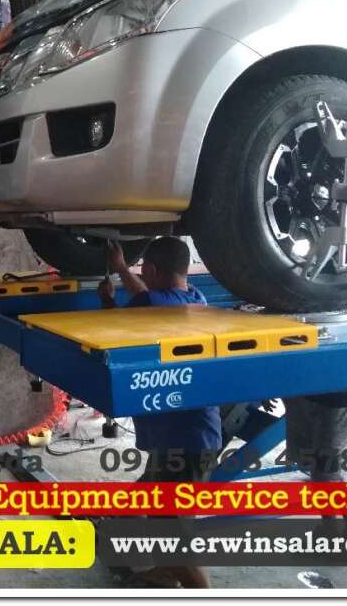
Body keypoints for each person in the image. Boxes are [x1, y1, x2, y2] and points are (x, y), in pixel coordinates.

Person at [98, 236, 221, 589]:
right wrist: (122, 269)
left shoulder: (148, 305)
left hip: (184, 441)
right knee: (159, 510)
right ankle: (167, 573)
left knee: (170, 529)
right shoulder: (195, 299)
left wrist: (107, 301)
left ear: (151, 270)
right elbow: (147, 299)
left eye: (143, 271)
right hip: (192, 434)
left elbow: (115, 328)